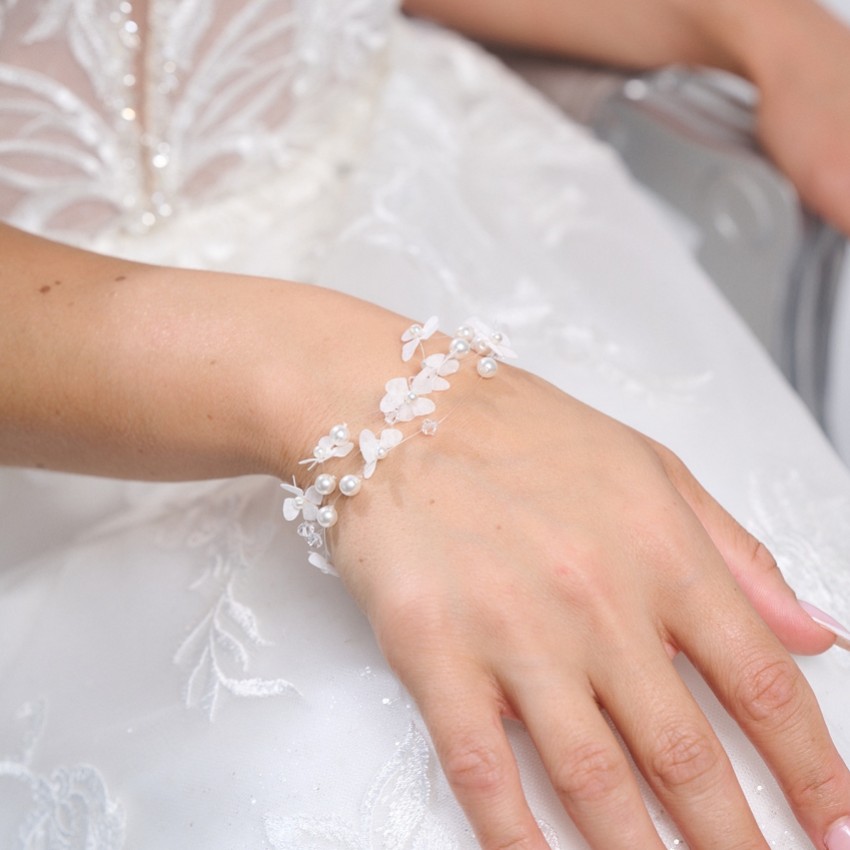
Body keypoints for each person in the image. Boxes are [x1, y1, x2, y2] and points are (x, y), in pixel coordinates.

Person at [0, 1, 849, 849]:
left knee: (776, 670)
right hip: (64, 388)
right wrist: (373, 400)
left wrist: (766, 30)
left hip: (438, 206)